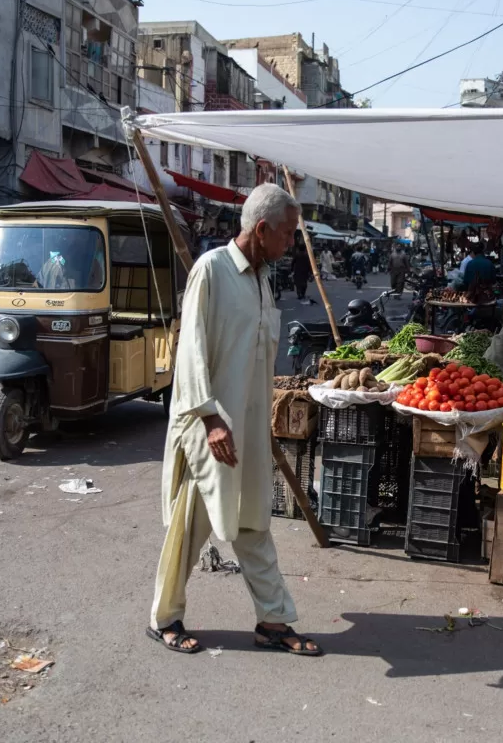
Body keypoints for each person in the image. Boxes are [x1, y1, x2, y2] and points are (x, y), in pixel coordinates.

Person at [148, 183, 322, 657]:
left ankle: (273, 620)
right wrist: (210, 419)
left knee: (253, 521)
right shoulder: (213, 270)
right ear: (262, 230)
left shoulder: (263, 279)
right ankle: (165, 617)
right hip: (212, 427)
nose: (290, 244)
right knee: (192, 523)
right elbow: (191, 354)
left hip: (247, 428)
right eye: (287, 235)